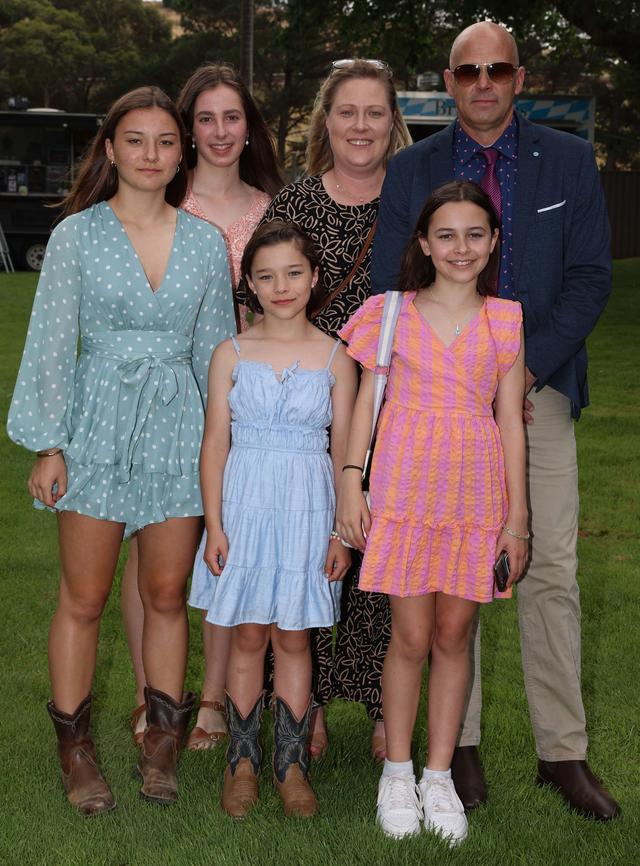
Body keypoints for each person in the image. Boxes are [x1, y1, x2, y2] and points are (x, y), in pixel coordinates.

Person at [370, 20, 619, 820]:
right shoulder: (413, 168)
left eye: (498, 69)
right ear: (448, 80)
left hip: (533, 390)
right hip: (430, 404)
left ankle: (563, 753)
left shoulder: (570, 162)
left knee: (545, 568)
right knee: (447, 569)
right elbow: (388, 283)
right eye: (468, 69)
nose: (483, 81)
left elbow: (589, 278)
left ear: (519, 76)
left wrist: (521, 369)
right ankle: (455, 753)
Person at [6, 86, 235, 814]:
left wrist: (222, 452)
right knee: (85, 596)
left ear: (182, 153)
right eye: (135, 140)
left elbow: (216, 354)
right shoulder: (77, 235)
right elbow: (49, 344)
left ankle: (161, 744)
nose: (151, 155)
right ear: (110, 149)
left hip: (177, 430)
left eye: (166, 142)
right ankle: (75, 753)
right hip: (95, 423)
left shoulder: (205, 242)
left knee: (167, 594)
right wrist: (49, 444)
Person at [337, 181, 527, 842]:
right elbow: (364, 404)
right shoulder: (389, 312)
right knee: (411, 637)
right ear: (423, 242)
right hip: (405, 491)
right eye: (445, 234)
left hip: (474, 497)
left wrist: (518, 519)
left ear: (493, 240)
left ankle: (439, 776)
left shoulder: (506, 320)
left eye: (475, 233)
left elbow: (511, 422)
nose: (461, 247)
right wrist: (351, 483)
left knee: (454, 636)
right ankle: (397, 770)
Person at [121, 63, 284, 752]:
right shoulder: (163, 199)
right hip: (160, 394)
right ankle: (148, 695)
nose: (220, 132)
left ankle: (213, 700)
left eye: (233, 117)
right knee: (150, 547)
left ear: (250, 127)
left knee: (227, 543)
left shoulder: (276, 207)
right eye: (207, 119)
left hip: (248, 396)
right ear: (188, 129)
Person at [262, 57, 411, 760]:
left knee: (387, 553)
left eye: (374, 113)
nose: (360, 126)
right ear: (328, 121)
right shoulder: (294, 203)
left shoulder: (413, 199)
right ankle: (307, 700)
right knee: (311, 549)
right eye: (346, 112)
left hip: (399, 404)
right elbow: (255, 295)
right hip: (310, 404)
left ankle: (386, 703)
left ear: (392, 122)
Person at [195, 220, 356, 817]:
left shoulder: (337, 357)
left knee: (293, 636)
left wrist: (341, 528)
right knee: (247, 633)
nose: (281, 286)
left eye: (293, 273)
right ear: (251, 287)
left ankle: (291, 764)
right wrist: (214, 524)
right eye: (266, 276)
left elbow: (344, 452)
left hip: (308, 511)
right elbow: (215, 443)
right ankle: (242, 762)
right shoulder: (230, 353)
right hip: (243, 506)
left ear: (314, 278)